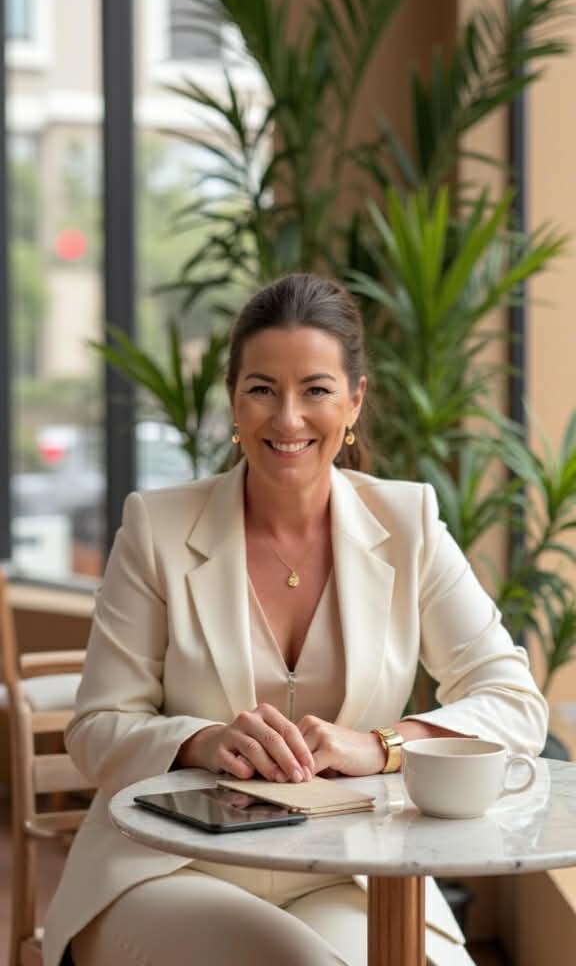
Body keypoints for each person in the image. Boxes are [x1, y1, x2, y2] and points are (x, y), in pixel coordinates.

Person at [44, 273, 548, 966]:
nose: (287, 419)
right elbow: (96, 730)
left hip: (347, 871)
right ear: (233, 403)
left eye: (315, 389)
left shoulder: (409, 524)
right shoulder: (156, 528)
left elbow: (515, 703)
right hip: (165, 868)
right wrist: (203, 741)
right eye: (261, 389)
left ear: (353, 403)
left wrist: (379, 745)